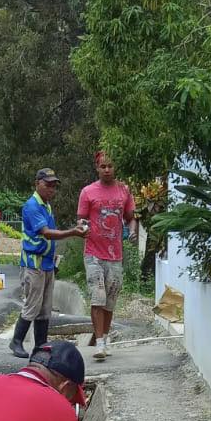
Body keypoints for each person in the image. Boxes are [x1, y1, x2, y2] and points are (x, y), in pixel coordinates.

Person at [9, 169, 88, 358]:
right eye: (48, 184)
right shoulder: (32, 206)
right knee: (32, 305)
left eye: (54, 186)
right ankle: (17, 341)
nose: (51, 189)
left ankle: (41, 346)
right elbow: (47, 233)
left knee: (45, 307)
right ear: (37, 183)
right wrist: (73, 232)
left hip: (45, 263)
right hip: (33, 264)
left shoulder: (46, 206)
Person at [77, 151, 137, 360]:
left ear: (115, 167)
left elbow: (130, 217)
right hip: (93, 253)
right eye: (103, 166)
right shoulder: (87, 192)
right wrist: (82, 228)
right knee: (98, 297)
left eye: (110, 166)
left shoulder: (124, 191)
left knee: (110, 301)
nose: (107, 170)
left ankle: (106, 337)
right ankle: (99, 343)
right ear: (97, 168)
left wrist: (133, 229)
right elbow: (82, 219)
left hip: (115, 255)